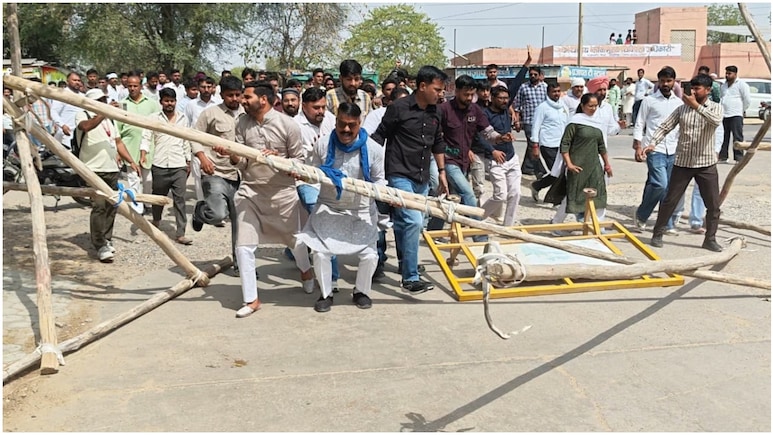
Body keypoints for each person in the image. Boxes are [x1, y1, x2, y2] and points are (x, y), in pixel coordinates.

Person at [213, 82, 314, 318]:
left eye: (247, 97)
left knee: (295, 242)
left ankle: (306, 272)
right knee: (244, 247)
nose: (242, 100)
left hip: (282, 194)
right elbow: (242, 162)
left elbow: (299, 164)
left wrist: (279, 159)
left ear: (264, 100)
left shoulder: (288, 125)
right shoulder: (241, 123)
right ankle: (252, 299)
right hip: (250, 192)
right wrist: (233, 155)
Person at [296, 102, 385, 312]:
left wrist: (378, 192)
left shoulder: (374, 149)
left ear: (359, 123)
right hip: (328, 207)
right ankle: (326, 294)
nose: (346, 130)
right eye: (342, 124)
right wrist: (302, 174)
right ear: (335, 122)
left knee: (371, 256)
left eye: (351, 125)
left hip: (361, 209)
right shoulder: (323, 144)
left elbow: (381, 180)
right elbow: (314, 173)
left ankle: (361, 291)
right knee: (319, 254)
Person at [371, 65, 449, 295]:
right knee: (414, 221)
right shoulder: (398, 108)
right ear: (422, 86)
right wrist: (372, 174)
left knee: (407, 223)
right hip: (399, 175)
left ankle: (407, 264)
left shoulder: (437, 111)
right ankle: (411, 278)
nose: (440, 93)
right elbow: (378, 137)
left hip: (422, 177)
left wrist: (442, 172)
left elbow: (438, 142)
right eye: (437, 89)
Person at [646, 74, 723, 252]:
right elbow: (665, 126)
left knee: (713, 205)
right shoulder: (682, 110)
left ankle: (710, 239)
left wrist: (696, 106)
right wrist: (653, 143)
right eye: (692, 88)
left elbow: (715, 121)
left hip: (706, 163)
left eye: (698, 89)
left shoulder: (716, 108)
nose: (694, 92)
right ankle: (658, 233)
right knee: (669, 200)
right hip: (683, 163)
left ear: (708, 90)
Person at [427, 75, 511, 236]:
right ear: (457, 91)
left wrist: (499, 137)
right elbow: (434, 135)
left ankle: (433, 233)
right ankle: (479, 236)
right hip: (447, 160)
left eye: (472, 95)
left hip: (464, 162)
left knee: (445, 197)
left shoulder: (475, 110)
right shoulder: (444, 110)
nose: (469, 98)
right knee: (468, 194)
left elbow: (487, 131)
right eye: (466, 94)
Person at [76, 89, 140, 262]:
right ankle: (99, 244)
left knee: (112, 205)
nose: (104, 102)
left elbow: (118, 142)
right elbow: (86, 127)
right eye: (100, 100)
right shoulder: (82, 114)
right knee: (99, 206)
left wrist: (131, 161)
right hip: (92, 168)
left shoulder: (108, 120)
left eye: (104, 99)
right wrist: (103, 113)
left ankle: (107, 238)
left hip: (111, 168)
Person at [191, 75, 245, 271]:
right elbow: (194, 136)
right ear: (221, 94)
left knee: (240, 223)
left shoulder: (247, 115)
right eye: (230, 95)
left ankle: (240, 264)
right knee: (217, 214)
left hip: (239, 174)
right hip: (215, 171)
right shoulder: (210, 113)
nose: (234, 99)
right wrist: (202, 158)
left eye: (238, 95)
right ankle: (200, 212)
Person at [293, 87, 341, 290]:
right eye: (316, 108)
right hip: (305, 181)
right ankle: (331, 277)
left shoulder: (331, 120)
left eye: (323, 107)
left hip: (329, 179)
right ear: (304, 106)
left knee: (323, 224)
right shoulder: (294, 125)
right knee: (323, 219)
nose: (321, 111)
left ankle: (329, 274)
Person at [631, 66, 683, 234]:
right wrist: (638, 145)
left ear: (674, 82)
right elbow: (640, 123)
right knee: (660, 184)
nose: (665, 84)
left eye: (669, 81)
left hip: (673, 150)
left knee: (667, 188)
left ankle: (664, 222)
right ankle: (642, 214)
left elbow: (682, 127)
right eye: (662, 81)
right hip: (654, 148)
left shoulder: (679, 103)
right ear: (658, 82)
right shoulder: (649, 100)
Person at [140, 88, 192, 245]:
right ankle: (156, 222)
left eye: (172, 101)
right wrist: (143, 153)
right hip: (160, 164)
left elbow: (186, 140)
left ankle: (181, 233)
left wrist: (188, 160)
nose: (169, 104)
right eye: (166, 101)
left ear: (176, 101)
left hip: (179, 165)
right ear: (161, 102)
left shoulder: (183, 118)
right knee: (158, 197)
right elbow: (146, 136)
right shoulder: (154, 118)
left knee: (180, 199)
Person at [560, 93, 613, 219]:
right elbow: (565, 144)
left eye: (596, 106)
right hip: (578, 165)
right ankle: (558, 224)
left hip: (594, 165)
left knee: (598, 194)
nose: (594, 109)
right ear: (583, 106)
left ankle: (598, 226)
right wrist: (569, 164)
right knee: (573, 195)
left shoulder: (597, 123)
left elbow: (601, 146)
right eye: (590, 106)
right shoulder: (575, 122)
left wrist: (607, 164)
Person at [117, 74, 161, 214]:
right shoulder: (123, 104)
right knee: (133, 177)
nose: (132, 88)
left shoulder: (152, 103)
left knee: (148, 179)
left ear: (141, 86)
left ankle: (147, 203)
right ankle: (138, 206)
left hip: (149, 146)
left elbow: (158, 124)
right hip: (129, 145)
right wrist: (118, 150)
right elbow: (117, 127)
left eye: (135, 86)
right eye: (129, 86)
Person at [479, 86, 522, 226]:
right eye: (501, 98)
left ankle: (508, 226)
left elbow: (517, 83)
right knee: (500, 195)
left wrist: (526, 65)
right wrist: (493, 151)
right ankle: (476, 218)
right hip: (495, 160)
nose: (504, 101)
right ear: (492, 98)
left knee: (515, 193)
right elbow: (480, 137)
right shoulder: (484, 115)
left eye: (506, 98)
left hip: (511, 157)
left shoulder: (505, 109)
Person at [530, 82, 571, 202]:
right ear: (548, 93)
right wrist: (535, 145)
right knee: (556, 172)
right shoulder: (542, 107)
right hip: (548, 144)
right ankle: (552, 194)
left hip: (563, 144)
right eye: (554, 92)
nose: (556, 94)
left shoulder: (563, 106)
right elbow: (535, 127)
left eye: (558, 91)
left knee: (563, 172)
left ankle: (539, 187)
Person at [512, 66, 548, 177]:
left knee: (534, 145)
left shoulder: (545, 87)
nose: (532, 76)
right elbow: (517, 105)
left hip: (543, 122)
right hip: (528, 121)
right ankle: (539, 169)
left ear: (539, 75)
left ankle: (526, 167)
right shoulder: (523, 87)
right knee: (533, 145)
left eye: (535, 74)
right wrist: (517, 120)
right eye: (530, 74)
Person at [719, 65, 750, 164]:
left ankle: (739, 158)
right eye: (726, 73)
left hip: (736, 114)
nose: (727, 75)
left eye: (729, 73)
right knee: (724, 137)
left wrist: (742, 110)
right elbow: (721, 98)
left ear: (735, 74)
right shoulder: (723, 85)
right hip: (724, 114)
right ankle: (723, 157)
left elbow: (747, 100)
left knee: (737, 137)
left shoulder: (742, 85)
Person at [50, 71, 84, 150]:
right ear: (67, 81)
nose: (77, 83)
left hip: (79, 132)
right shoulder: (62, 94)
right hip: (66, 133)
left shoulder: (83, 96)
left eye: (78, 81)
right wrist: (62, 125)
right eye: (74, 80)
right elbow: (53, 112)